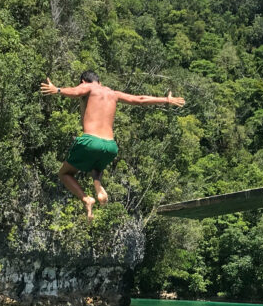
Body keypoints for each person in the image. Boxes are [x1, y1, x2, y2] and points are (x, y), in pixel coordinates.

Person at [40, 71, 185, 219]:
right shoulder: (113, 93)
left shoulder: (89, 87)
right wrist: (166, 100)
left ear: (84, 81)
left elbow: (76, 92)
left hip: (90, 141)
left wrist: (57, 89)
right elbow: (139, 99)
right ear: (100, 82)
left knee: (65, 173)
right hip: (110, 146)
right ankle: (98, 185)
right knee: (96, 166)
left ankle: (86, 199)